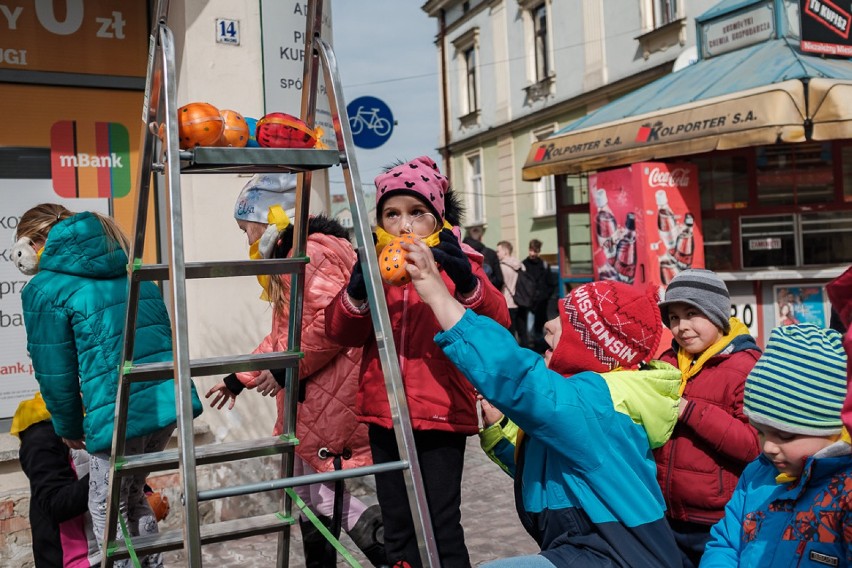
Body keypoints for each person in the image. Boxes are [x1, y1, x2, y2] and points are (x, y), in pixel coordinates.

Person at [399, 239, 683, 567]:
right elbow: (555, 473)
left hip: (618, 557)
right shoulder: (587, 405)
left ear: (594, 349)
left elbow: (519, 378)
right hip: (589, 551)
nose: (548, 324)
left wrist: (437, 294)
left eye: (567, 322)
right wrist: (502, 429)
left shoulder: (598, 404)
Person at [325, 156, 511, 568]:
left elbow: (499, 324)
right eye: (392, 214)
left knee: (441, 523)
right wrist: (356, 293)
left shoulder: (460, 261)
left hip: (442, 410)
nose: (404, 225)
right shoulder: (375, 268)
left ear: (438, 218)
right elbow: (339, 333)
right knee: (398, 525)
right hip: (385, 412)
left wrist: (465, 282)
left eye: (417, 213)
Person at [204, 174, 386, 567]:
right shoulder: (295, 252)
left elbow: (332, 326)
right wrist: (242, 377)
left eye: (245, 228)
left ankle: (389, 549)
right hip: (312, 392)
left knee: (318, 492)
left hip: (326, 392)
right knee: (307, 494)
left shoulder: (311, 253)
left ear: (265, 216)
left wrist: (288, 370)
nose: (247, 239)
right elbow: (289, 334)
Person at [14, 203, 203, 568]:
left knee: (108, 515)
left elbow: (56, 373)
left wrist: (67, 428)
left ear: (35, 241)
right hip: (166, 405)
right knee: (132, 497)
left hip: (117, 415)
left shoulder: (44, 288)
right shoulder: (124, 262)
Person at [701, 324, 852, 566]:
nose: (768, 447)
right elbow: (727, 543)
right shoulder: (757, 474)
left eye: (785, 435)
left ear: (831, 429)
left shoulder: (845, 492)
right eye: (760, 432)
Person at [655, 269, 762, 567]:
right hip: (667, 515)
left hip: (719, 520)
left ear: (716, 314)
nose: (682, 327)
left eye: (691, 313)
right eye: (674, 318)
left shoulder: (746, 366)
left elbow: (754, 445)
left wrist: (691, 411)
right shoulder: (666, 363)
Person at [13, 392, 100, 568]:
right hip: (75, 560)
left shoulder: (96, 418)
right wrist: (106, 476)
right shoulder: (40, 436)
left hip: (112, 549)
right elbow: (55, 503)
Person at [520, 239, 554, 352]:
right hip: (529, 302)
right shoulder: (524, 264)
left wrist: (545, 296)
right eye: (530, 250)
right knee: (529, 329)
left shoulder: (543, 265)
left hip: (541, 302)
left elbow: (550, 283)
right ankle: (531, 348)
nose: (532, 253)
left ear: (539, 251)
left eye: (535, 251)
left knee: (539, 328)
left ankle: (539, 348)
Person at [496, 240, 526, 344]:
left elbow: (499, 284)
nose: (497, 253)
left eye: (498, 251)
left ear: (505, 251)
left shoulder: (501, 267)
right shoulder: (520, 265)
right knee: (523, 332)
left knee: (511, 333)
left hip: (508, 303)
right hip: (521, 301)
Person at [462, 224, 503, 291]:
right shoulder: (491, 253)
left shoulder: (458, 251)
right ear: (481, 237)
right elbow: (499, 280)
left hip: (463, 297)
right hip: (487, 295)